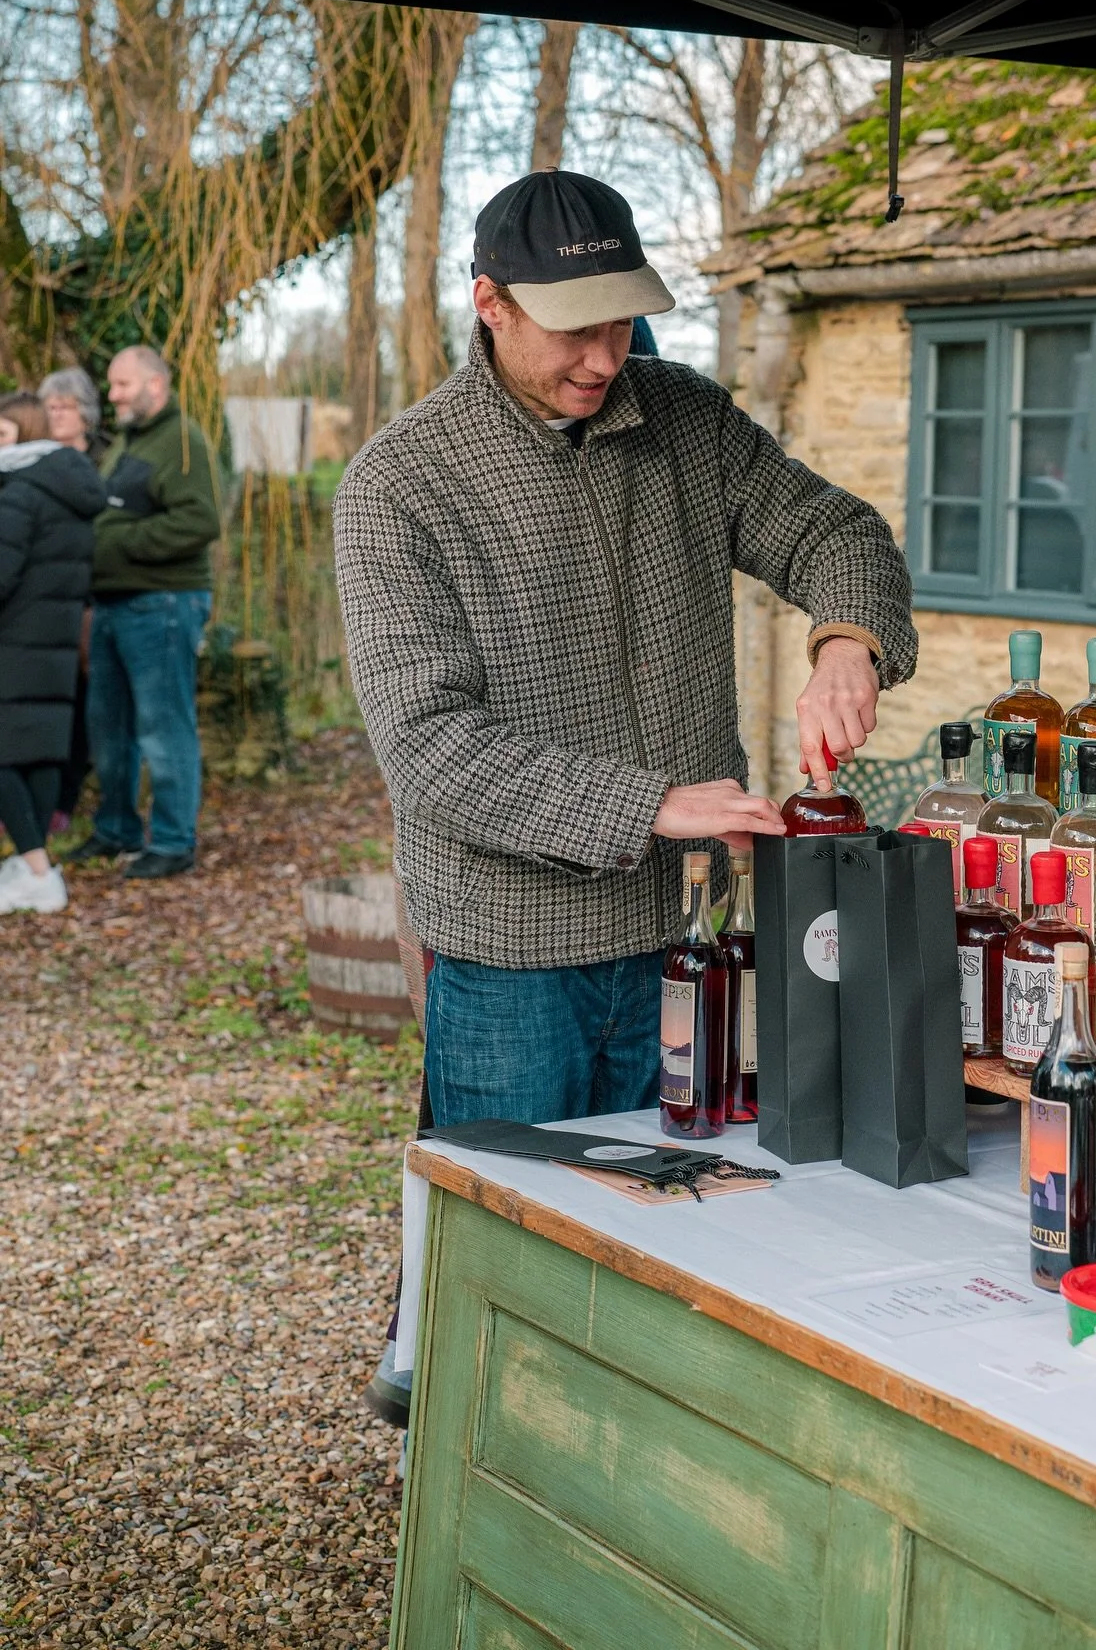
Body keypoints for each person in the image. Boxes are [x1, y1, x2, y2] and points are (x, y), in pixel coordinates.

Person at [335, 169, 916, 1422]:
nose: (609, 355)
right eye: (577, 326)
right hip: (508, 959)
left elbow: (836, 529)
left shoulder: (684, 418)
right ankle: (461, 1451)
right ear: (489, 303)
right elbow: (431, 747)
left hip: (687, 935)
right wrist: (653, 801)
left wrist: (847, 640)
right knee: (507, 1261)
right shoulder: (399, 486)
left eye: (625, 320)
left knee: (681, 1247)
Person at [67, 347, 221, 879]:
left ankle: (175, 841)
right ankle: (116, 829)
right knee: (108, 727)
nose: (112, 396)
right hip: (113, 604)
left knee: (162, 726)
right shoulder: (126, 445)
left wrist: (117, 545)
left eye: (122, 385)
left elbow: (200, 521)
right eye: (111, 385)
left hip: (162, 603)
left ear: (155, 386)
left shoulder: (181, 442)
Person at [0, 391, 106, 913]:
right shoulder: (67, 488)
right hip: (54, 642)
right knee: (39, 753)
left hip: (15, 640)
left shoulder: (18, 491)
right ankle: (32, 868)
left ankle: (38, 872)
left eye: (1, 433)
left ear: (24, 432)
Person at [39, 367, 109, 828]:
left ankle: (67, 798)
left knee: (86, 703)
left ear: (84, 412)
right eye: (50, 407)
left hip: (91, 599)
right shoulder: (35, 459)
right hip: (43, 599)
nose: (58, 414)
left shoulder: (104, 462)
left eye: (66, 406)